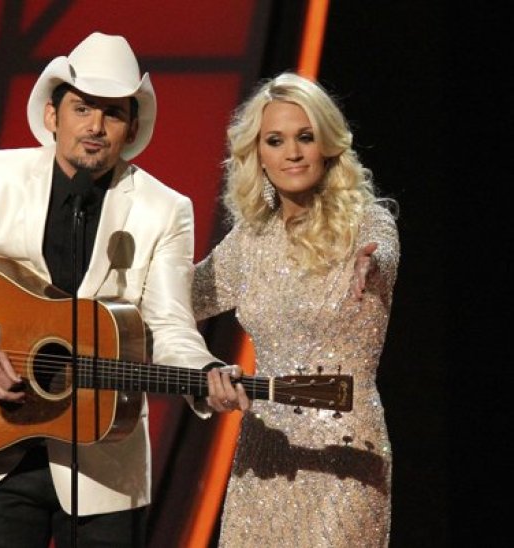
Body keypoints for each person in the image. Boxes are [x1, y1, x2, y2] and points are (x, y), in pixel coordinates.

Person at [0, 32, 220, 547]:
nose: (95, 127)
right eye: (82, 108)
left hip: (104, 466)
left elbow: (168, 323)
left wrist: (204, 372)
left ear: (132, 126)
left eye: (112, 113)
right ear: (53, 115)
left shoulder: (162, 209)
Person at [194, 72, 399, 547]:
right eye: (276, 140)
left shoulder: (368, 223)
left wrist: (374, 264)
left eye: (305, 137)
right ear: (258, 156)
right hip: (266, 450)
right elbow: (179, 300)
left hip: (346, 449)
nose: (292, 153)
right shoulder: (249, 242)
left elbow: (383, 252)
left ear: (326, 144)